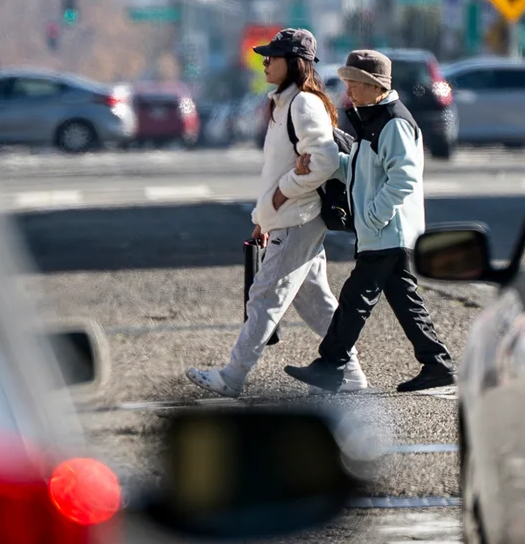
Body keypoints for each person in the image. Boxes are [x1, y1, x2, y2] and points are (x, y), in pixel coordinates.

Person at [185, 28, 367, 397]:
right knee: (316, 304)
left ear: (294, 63)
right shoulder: (285, 102)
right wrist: (262, 218)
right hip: (288, 216)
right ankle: (350, 375)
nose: (265, 62)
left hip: (297, 217)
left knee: (264, 297)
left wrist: (283, 195)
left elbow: (324, 160)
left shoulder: (303, 103)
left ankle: (232, 376)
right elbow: (280, 168)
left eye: (273, 56)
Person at [285, 49, 455, 394]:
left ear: (375, 86)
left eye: (354, 84)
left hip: (387, 232)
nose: (348, 92)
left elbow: (404, 178)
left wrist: (374, 216)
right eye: (347, 83)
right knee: (404, 301)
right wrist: (325, 164)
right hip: (383, 232)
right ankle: (437, 364)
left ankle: (330, 365)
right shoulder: (374, 118)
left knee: (355, 298)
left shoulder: (393, 122)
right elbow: (362, 170)